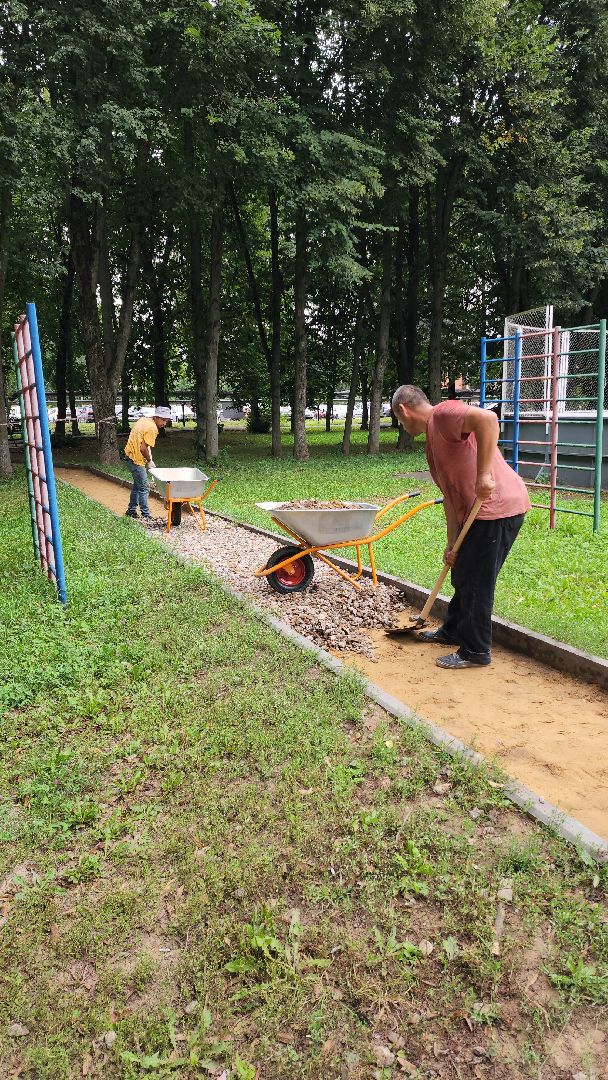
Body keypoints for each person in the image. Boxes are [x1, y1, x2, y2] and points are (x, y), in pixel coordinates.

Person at [391, 385, 531, 669]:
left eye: (400, 421)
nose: (404, 427)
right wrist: (451, 544)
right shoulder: (433, 440)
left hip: (498, 509)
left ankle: (476, 651)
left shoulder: (443, 414)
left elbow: (488, 420)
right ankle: (453, 630)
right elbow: (450, 498)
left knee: (477, 582)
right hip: (474, 515)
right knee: (462, 573)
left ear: (402, 410)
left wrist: (483, 475)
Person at [123, 406, 171, 522]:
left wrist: (150, 458)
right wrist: (149, 461)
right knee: (144, 488)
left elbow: (143, 442)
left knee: (137, 485)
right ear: (156, 417)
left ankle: (131, 510)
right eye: (162, 420)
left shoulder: (143, 420)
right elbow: (143, 448)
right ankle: (146, 515)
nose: (164, 423)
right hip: (136, 459)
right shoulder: (152, 429)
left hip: (128, 455)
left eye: (166, 420)